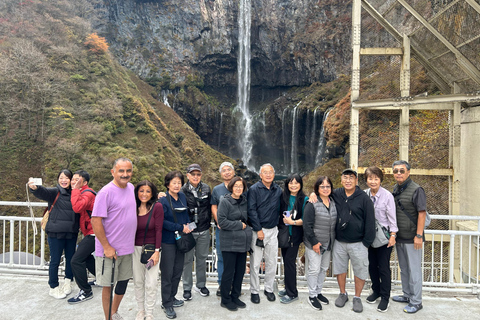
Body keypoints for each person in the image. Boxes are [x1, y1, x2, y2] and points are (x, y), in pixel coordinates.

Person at [91, 158, 137, 320]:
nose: (125, 174)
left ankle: (113, 312)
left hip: (127, 248)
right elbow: (95, 220)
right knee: (108, 286)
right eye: (121, 171)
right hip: (110, 250)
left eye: (128, 171)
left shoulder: (131, 188)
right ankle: (108, 318)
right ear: (113, 172)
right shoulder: (105, 192)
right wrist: (106, 247)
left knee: (123, 282)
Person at [28, 169, 79, 299]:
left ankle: (68, 283)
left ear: (71, 180)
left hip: (71, 232)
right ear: (58, 179)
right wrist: (34, 188)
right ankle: (53, 287)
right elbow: (42, 192)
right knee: (55, 261)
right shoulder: (54, 192)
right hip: (55, 233)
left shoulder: (75, 193)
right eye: (61, 177)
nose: (64, 180)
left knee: (70, 259)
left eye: (67, 178)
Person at [332, 169, 375, 313]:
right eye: (345, 177)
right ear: (341, 180)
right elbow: (322, 192)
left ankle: (357, 297)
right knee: (340, 269)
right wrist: (313, 194)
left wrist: (366, 243)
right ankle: (342, 293)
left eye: (351, 177)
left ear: (356, 180)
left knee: (360, 270)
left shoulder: (363, 198)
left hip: (358, 243)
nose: (348, 180)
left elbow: (370, 221)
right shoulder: (336, 193)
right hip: (339, 241)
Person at [391, 160, 427, 314]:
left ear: (408, 172)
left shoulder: (417, 189)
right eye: (396, 171)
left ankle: (417, 301)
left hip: (413, 238)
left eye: (401, 170)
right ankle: (407, 295)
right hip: (400, 236)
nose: (398, 173)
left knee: (414, 271)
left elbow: (422, 213)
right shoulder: (396, 188)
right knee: (404, 269)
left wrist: (418, 235)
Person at [159, 171, 193, 319]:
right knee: (167, 273)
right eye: (174, 182)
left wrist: (188, 226)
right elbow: (162, 222)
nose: (177, 185)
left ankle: (172, 297)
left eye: (179, 182)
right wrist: (180, 227)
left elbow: (185, 215)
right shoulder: (163, 200)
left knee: (177, 270)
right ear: (167, 184)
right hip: (168, 241)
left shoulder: (183, 196)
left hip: (181, 240)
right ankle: (166, 303)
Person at [363, 166, 397, 312]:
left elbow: (392, 217)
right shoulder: (364, 194)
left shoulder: (387, 196)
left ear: (380, 180)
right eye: (370, 178)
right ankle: (376, 291)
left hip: (384, 238)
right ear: (366, 180)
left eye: (376, 178)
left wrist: (393, 235)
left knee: (383, 268)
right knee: (372, 266)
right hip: (369, 237)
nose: (373, 181)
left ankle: (385, 297)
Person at [247, 163, 282, 304]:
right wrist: (258, 229)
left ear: (274, 174)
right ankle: (254, 291)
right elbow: (251, 210)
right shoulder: (254, 189)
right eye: (265, 172)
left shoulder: (278, 189)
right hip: (258, 231)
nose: (268, 174)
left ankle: (268, 288)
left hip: (273, 230)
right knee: (255, 263)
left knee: (272, 262)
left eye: (270, 172)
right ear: (260, 175)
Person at [217, 176, 252, 311]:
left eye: (241, 186)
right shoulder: (224, 201)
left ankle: (235, 296)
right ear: (231, 187)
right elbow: (222, 222)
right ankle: (225, 299)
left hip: (242, 242)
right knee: (229, 272)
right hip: (229, 242)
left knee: (240, 271)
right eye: (236, 186)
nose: (238, 188)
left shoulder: (244, 201)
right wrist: (239, 225)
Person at [303, 176, 337, 311]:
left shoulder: (334, 201)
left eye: (328, 186)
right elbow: (307, 225)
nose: (325, 188)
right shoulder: (312, 203)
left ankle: (318, 292)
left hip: (328, 243)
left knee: (323, 269)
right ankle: (311, 295)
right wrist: (314, 242)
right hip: (315, 244)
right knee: (314, 269)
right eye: (322, 186)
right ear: (317, 188)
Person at [132, 180, 164, 320]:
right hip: (134, 249)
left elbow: (158, 230)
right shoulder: (132, 207)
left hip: (151, 249)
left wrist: (157, 251)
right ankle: (140, 310)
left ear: (152, 194)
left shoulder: (157, 207)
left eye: (148, 191)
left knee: (151, 282)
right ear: (136, 192)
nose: (144, 194)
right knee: (138, 281)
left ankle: (149, 312)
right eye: (141, 191)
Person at [181, 164, 212, 301]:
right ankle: (187, 288)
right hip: (188, 231)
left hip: (204, 229)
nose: (195, 177)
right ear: (187, 175)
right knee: (187, 260)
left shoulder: (206, 188)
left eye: (198, 174)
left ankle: (201, 285)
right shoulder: (182, 190)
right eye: (192, 174)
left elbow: (211, 206)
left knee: (202, 259)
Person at [278, 174, 308, 304]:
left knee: (290, 263)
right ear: (287, 184)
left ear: (300, 184)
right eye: (291, 183)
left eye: (296, 182)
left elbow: (306, 219)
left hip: (294, 237)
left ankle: (292, 293)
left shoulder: (304, 199)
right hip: (284, 235)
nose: (293, 185)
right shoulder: (283, 197)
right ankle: (287, 287)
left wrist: (293, 222)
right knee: (286, 261)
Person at [68, 170, 97, 304]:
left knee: (76, 260)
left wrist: (75, 189)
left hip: (94, 233)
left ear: (84, 182)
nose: (73, 182)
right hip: (91, 232)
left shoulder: (88, 193)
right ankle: (103, 278)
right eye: (72, 179)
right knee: (86, 256)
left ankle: (85, 291)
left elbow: (78, 207)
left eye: (77, 179)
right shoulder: (83, 192)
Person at [210, 161, 235, 296]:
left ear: (233, 172)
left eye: (229, 169)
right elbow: (213, 205)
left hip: (237, 229)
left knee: (235, 257)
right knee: (221, 257)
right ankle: (222, 284)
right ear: (221, 174)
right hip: (222, 229)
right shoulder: (217, 189)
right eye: (224, 170)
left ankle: (234, 284)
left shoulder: (239, 186)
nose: (227, 172)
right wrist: (218, 220)